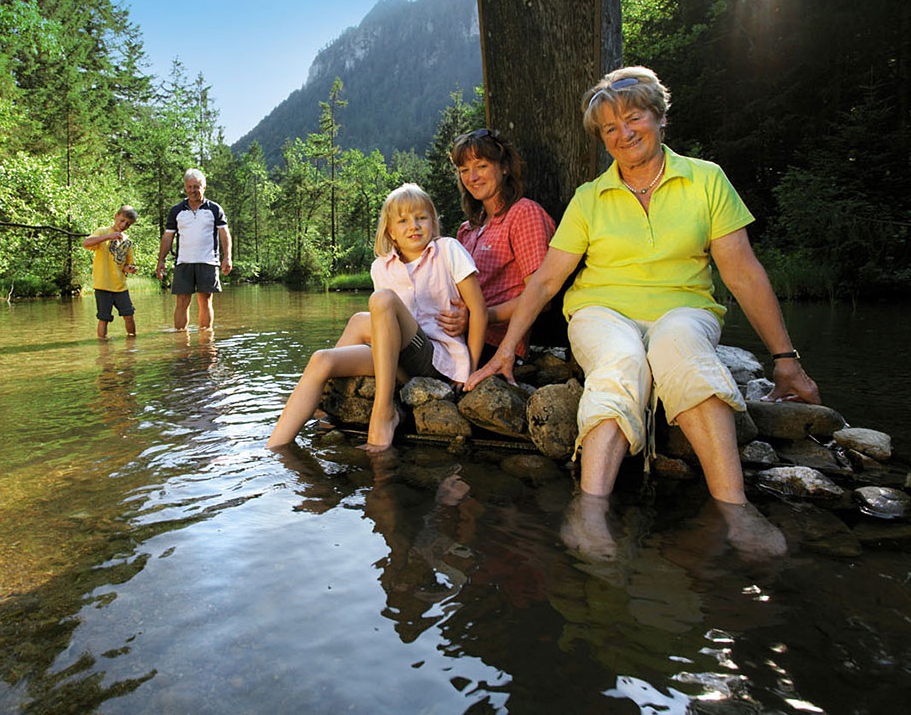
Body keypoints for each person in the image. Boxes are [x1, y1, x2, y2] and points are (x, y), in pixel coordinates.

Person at [465, 66, 819, 557]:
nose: (623, 133)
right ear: (601, 139)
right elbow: (546, 279)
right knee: (619, 360)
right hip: (600, 309)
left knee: (681, 348)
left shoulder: (706, 180)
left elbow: (743, 273)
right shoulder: (590, 198)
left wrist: (786, 358)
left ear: (659, 117)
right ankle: (589, 511)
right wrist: (504, 352)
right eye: (610, 128)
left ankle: (735, 510)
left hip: (685, 306)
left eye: (633, 118)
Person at [268, 183, 487, 451]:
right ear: (390, 232)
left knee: (379, 301)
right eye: (403, 220)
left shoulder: (449, 250)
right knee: (322, 358)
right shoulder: (380, 268)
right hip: (397, 363)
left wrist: (471, 371)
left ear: (433, 222)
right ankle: (277, 446)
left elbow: (478, 309)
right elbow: (384, 327)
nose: (414, 226)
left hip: (436, 360)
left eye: (421, 218)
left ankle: (383, 412)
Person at [438, 128, 556, 363]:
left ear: (504, 167)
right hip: (458, 337)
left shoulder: (524, 214)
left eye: (481, 166)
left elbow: (541, 298)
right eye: (464, 170)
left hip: (495, 343)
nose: (472, 177)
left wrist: (479, 316)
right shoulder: (467, 229)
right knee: (381, 329)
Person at [155, 168, 232, 329]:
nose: (192, 190)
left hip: (208, 261)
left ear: (204, 187)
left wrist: (227, 257)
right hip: (183, 262)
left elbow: (224, 234)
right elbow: (167, 237)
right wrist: (161, 260)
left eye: (196, 186)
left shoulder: (214, 209)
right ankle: (181, 342)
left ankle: (206, 343)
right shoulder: (176, 210)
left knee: (205, 301)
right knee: (182, 302)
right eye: (189, 187)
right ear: (185, 187)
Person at [82, 205, 138, 338]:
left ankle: (132, 345)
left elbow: (126, 264)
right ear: (116, 216)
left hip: (120, 286)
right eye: (122, 220)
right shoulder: (102, 232)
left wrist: (130, 269)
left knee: (129, 315)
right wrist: (108, 237)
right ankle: (103, 349)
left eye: (128, 224)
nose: (124, 225)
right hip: (103, 285)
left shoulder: (127, 241)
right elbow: (86, 243)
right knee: (104, 318)